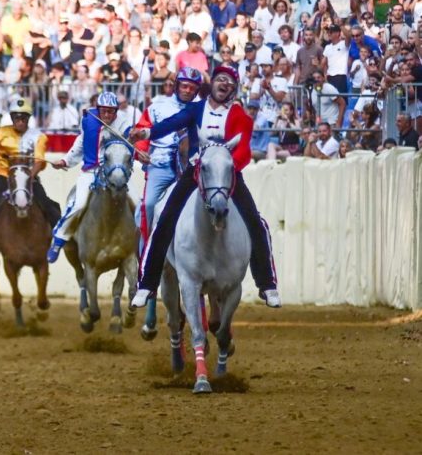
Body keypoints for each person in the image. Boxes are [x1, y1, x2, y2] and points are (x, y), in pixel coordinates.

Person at [129, 65, 281, 309]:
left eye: (230, 82)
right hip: (195, 171)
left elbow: (243, 149)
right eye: (221, 79)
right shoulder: (195, 109)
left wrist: (230, 166)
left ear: (233, 88)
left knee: (256, 221)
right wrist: (146, 132)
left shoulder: (240, 115)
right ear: (213, 84)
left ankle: (267, 284)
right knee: (165, 219)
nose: (225, 85)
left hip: (226, 174)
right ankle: (147, 284)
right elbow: (171, 123)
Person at [0, 98, 61, 273]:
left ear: (28, 118)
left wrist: (27, 178)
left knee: (50, 208)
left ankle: (62, 243)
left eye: (24, 118)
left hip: (29, 178)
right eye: (17, 118)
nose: (20, 121)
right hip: (3, 178)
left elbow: (40, 162)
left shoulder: (38, 136)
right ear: (12, 118)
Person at [46, 92, 134, 262]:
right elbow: (81, 143)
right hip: (91, 171)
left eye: (111, 112)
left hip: (115, 173)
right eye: (104, 111)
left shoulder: (124, 122)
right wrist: (65, 161)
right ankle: (59, 238)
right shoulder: (89, 121)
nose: (107, 115)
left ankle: (141, 245)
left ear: (116, 111)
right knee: (78, 204)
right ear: (98, 109)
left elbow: (131, 144)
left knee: (137, 204)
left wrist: (139, 152)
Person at [134, 67, 203, 249]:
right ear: (177, 85)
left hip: (191, 167)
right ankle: (144, 252)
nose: (188, 91)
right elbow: (142, 131)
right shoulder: (156, 107)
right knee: (148, 204)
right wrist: (141, 152)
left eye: (192, 88)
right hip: (160, 164)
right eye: (185, 86)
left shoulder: (201, 109)